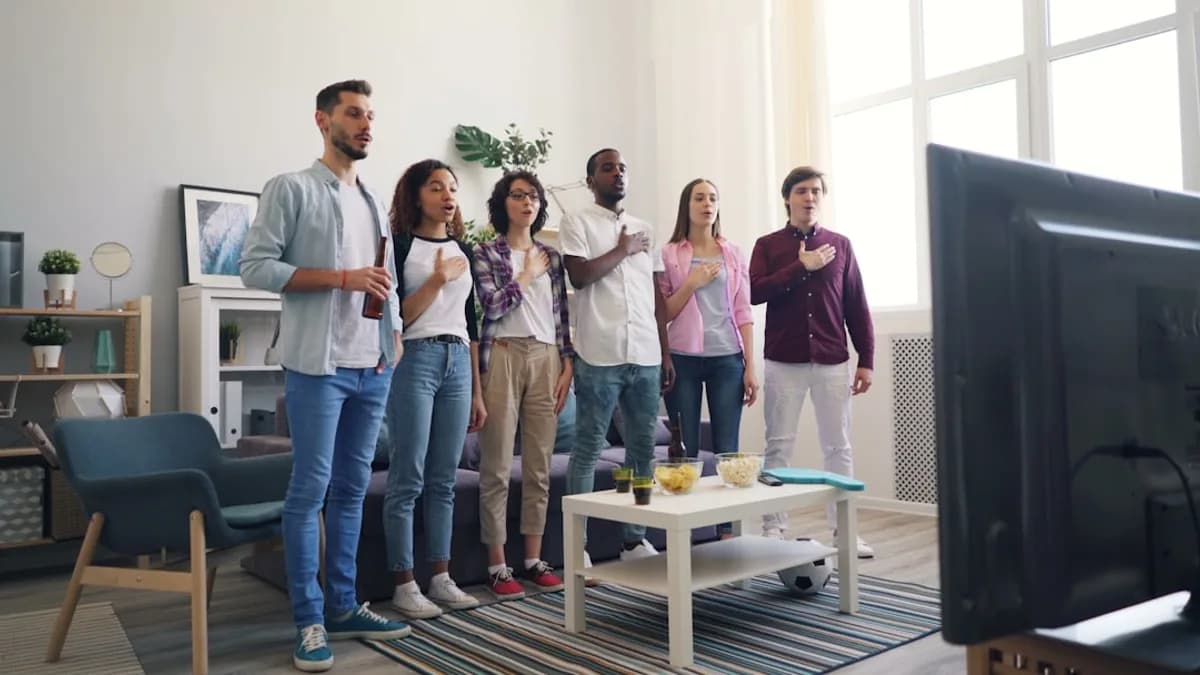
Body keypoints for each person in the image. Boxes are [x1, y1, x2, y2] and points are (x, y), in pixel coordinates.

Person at [239, 79, 411, 673]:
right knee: (308, 492)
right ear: (322, 120)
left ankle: (343, 604)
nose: (365, 125)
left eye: (370, 116)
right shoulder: (291, 188)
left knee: (350, 493)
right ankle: (308, 620)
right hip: (319, 367)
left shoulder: (369, 197)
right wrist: (342, 278)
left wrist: (392, 338)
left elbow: (380, 278)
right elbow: (255, 267)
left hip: (373, 366)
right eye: (353, 114)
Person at [748, 166, 876, 558]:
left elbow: (856, 304)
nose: (809, 198)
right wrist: (800, 267)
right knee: (778, 446)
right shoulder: (768, 245)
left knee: (838, 447)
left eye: (816, 191)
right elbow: (753, 292)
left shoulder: (841, 244)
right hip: (783, 360)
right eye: (802, 191)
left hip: (832, 360)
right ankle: (774, 528)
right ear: (787, 198)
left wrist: (866, 359)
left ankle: (844, 531)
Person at [560, 148, 675, 567]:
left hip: (644, 352)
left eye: (623, 167)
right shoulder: (577, 222)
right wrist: (624, 249)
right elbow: (580, 276)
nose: (617, 173)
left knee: (642, 448)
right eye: (607, 168)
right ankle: (579, 544)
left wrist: (665, 351)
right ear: (591, 180)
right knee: (588, 448)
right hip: (600, 353)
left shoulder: (645, 227)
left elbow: (657, 295)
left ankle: (633, 538)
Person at [384, 159, 486, 619]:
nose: (447, 196)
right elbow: (395, 317)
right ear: (416, 195)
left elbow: (471, 323)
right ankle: (405, 584)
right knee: (408, 477)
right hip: (416, 359)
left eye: (452, 188)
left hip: (458, 361)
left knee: (444, 479)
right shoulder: (399, 246)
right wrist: (437, 279)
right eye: (436, 187)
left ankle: (441, 579)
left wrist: (478, 392)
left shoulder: (463, 247)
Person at [473, 171, 574, 599]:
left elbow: (563, 315)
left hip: (547, 357)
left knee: (539, 465)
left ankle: (533, 560)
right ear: (504, 203)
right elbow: (492, 306)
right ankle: (498, 565)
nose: (527, 202)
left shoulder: (551, 256)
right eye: (518, 196)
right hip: (504, 355)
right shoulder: (485, 252)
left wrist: (568, 362)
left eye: (533, 196)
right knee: (496, 464)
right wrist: (526, 274)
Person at [659, 179, 757, 522]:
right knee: (684, 451)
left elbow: (744, 311)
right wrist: (691, 282)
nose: (707, 204)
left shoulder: (734, 253)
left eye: (713, 198)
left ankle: (726, 528)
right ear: (687, 205)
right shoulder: (669, 254)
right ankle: (687, 522)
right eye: (699, 198)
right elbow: (665, 313)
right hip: (682, 359)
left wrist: (750, 367)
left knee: (727, 449)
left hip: (727, 360)